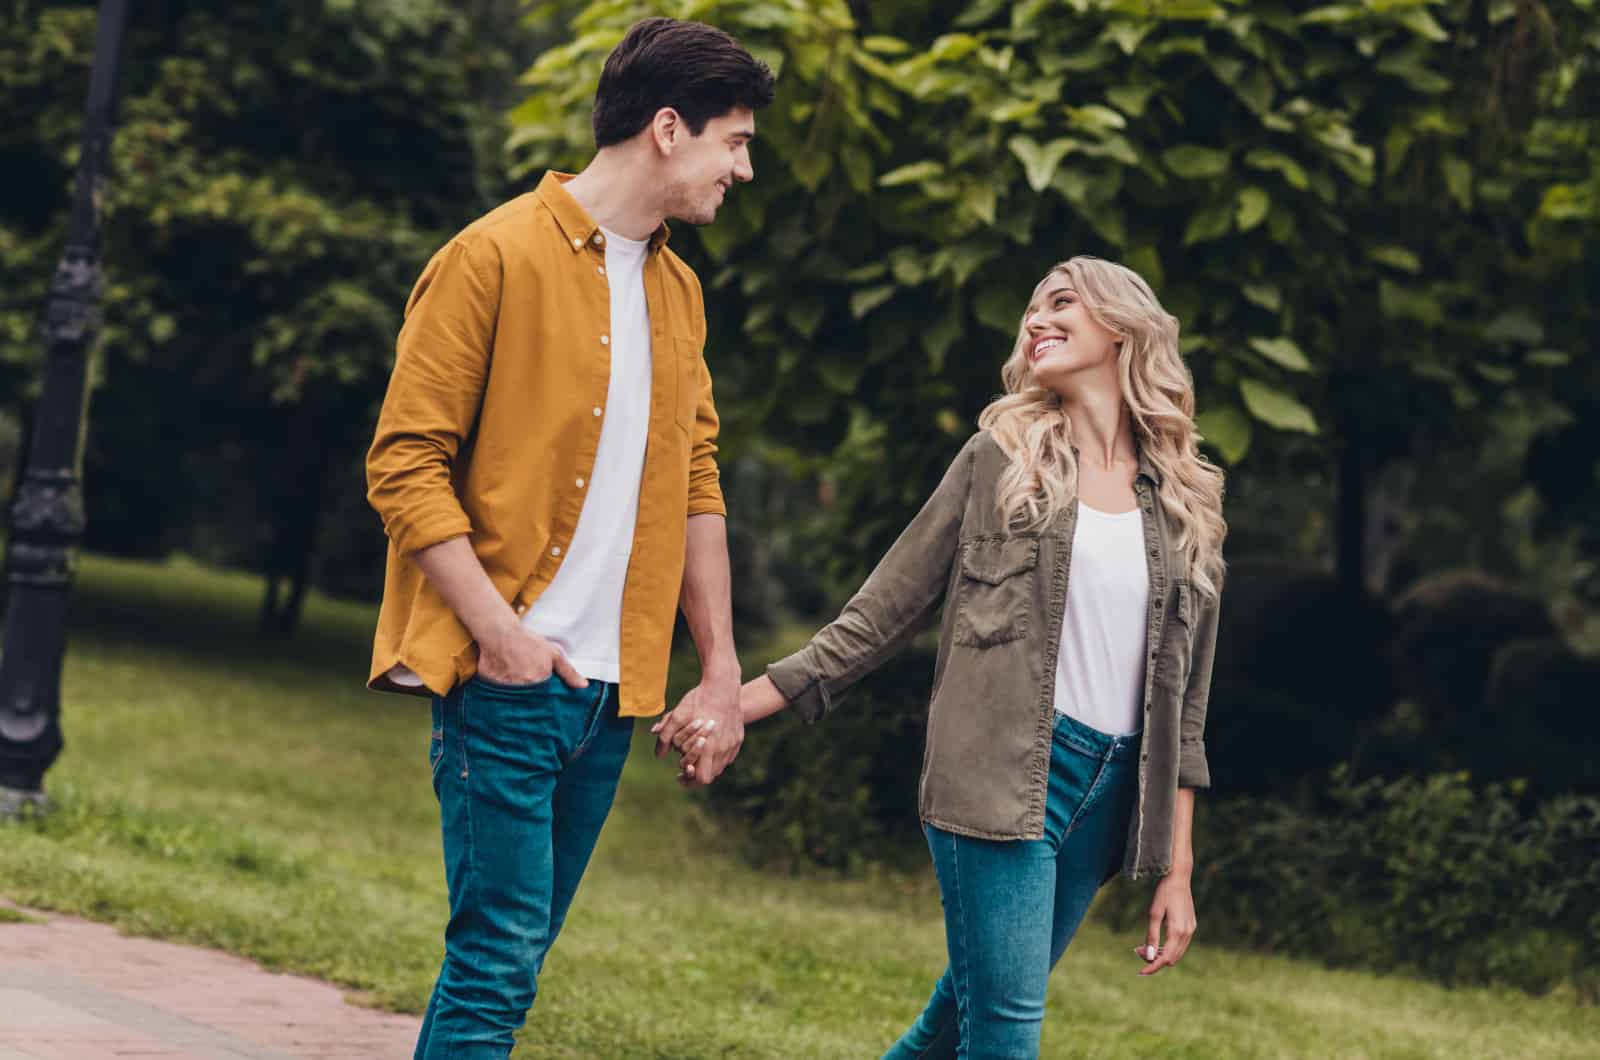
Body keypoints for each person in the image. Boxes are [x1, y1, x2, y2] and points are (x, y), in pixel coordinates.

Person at [660, 256, 1226, 1059]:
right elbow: (881, 613)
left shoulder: (1183, 499)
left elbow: (1186, 712)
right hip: (997, 775)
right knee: (1005, 1031)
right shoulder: (1000, 460)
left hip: (1109, 794)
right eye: (1030, 310)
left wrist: (1177, 868)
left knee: (958, 1019)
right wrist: (737, 701)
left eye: (1060, 304)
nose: (1036, 320)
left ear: (1123, 327)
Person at [363, 18, 774, 1059]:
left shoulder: (678, 290)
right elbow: (403, 466)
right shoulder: (490, 256)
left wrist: (720, 668)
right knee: (497, 963)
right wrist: (500, 637)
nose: (744, 168)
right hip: (509, 676)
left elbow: (695, 481)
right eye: (735, 140)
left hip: (609, 696)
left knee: (511, 961)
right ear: (668, 129)